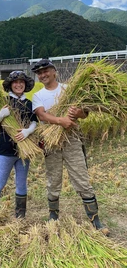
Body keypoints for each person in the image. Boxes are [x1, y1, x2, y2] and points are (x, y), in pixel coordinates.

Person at [31, 58, 109, 235]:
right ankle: (53, 216)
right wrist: (61, 121)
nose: (42, 75)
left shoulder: (69, 89)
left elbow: (85, 114)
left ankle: (95, 219)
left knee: (81, 178)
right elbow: (42, 116)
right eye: (39, 73)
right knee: (53, 179)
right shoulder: (38, 96)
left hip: (72, 139)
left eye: (45, 71)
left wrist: (77, 113)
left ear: (54, 71)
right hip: (51, 142)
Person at [0, 71, 38, 219]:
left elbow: (35, 121)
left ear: (25, 85)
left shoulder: (29, 103)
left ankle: (20, 216)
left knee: (21, 184)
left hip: (23, 151)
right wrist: (1, 114)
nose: (19, 84)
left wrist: (28, 131)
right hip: (5, 151)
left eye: (22, 82)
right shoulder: (3, 102)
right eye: (15, 82)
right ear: (10, 85)